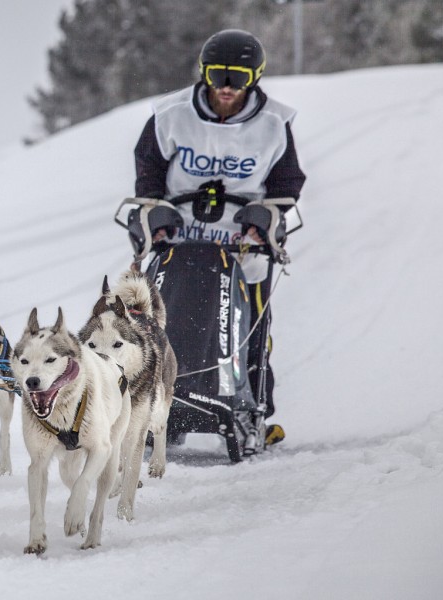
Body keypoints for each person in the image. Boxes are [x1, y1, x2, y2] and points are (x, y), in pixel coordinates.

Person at [132, 29, 306, 444]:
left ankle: (253, 412)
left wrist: (265, 216)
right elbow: (148, 172)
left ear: (255, 77)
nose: (226, 87)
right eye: (218, 75)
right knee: (161, 321)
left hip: (243, 242)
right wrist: (155, 212)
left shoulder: (274, 123)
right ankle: (155, 405)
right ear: (204, 73)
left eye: (238, 78)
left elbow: (287, 181)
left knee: (252, 327)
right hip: (178, 236)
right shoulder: (171, 114)